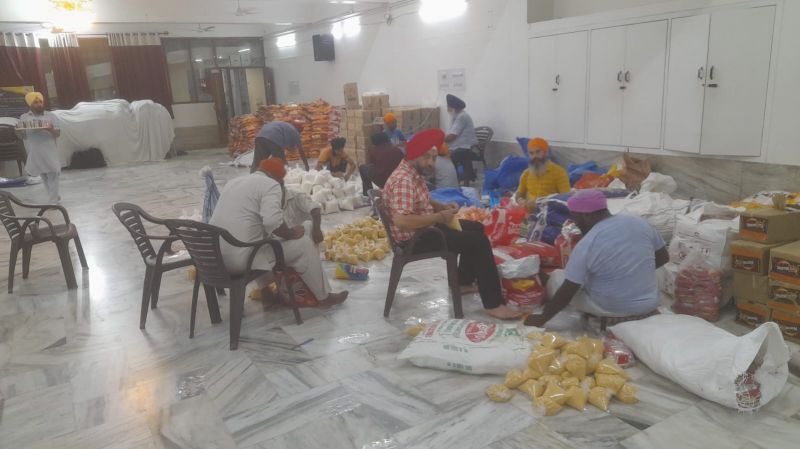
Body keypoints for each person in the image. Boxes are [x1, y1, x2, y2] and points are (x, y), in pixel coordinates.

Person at [383, 128, 522, 320]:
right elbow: (402, 221)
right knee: (478, 242)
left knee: (476, 227)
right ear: (414, 156)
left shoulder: (411, 172)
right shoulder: (403, 181)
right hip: (416, 239)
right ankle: (494, 304)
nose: (431, 163)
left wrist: (441, 206)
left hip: (425, 229)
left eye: (433, 158)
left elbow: (420, 199)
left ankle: (463, 282)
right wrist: (439, 217)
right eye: (426, 158)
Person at [210, 158, 348, 308]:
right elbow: (272, 222)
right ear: (279, 179)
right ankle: (324, 298)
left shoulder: (233, 183)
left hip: (215, 260)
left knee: (260, 241)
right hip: (239, 261)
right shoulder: (271, 184)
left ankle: (267, 295)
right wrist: (291, 233)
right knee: (303, 245)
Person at [524, 189, 669, 327]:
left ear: (586, 216)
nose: (576, 224)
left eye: (576, 218)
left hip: (611, 308)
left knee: (557, 278)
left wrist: (542, 318)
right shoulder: (638, 222)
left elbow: (568, 290)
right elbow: (663, 257)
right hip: (649, 303)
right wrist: (634, 272)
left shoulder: (588, 242)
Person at [15, 92, 61, 203]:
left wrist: (50, 129)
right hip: (35, 151)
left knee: (54, 172)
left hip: (49, 150)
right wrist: (18, 132)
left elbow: (57, 134)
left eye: (40, 102)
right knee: (44, 174)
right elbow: (23, 136)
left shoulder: (50, 116)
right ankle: (54, 197)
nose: (39, 104)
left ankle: (53, 200)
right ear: (30, 104)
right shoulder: (24, 117)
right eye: (36, 102)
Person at [515, 138, 571, 211]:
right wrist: (521, 201)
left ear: (545, 152)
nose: (535, 156)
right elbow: (519, 193)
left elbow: (565, 198)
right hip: (530, 212)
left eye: (538, 152)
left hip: (550, 213)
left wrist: (542, 204)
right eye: (531, 153)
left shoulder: (559, 172)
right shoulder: (526, 173)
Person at [444, 94, 479, 185]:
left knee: (448, 159)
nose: (447, 109)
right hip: (461, 147)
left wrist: (440, 139)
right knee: (448, 154)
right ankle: (460, 178)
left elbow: (452, 136)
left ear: (453, 107)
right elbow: (451, 133)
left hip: (465, 147)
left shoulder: (462, 117)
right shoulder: (457, 116)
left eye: (448, 107)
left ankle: (454, 180)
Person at [359, 132, 404, 197]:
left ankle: (367, 193)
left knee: (362, 168)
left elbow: (369, 165)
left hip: (382, 182)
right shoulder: (397, 150)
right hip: (398, 180)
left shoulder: (373, 151)